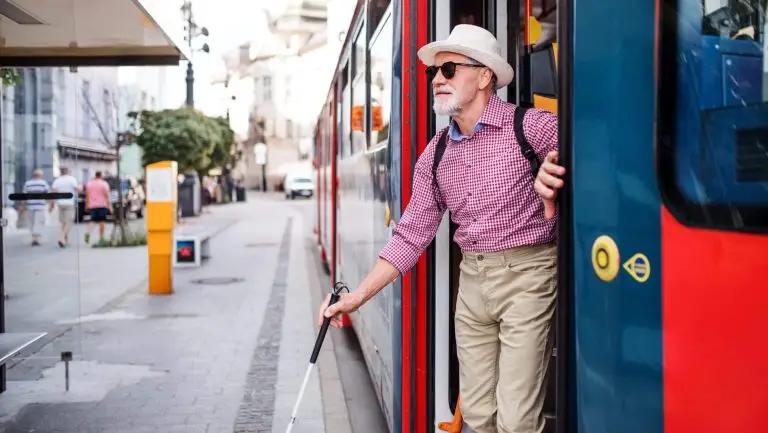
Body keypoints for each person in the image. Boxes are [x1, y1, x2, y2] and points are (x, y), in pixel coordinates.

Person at [317, 24, 566, 433]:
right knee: (480, 416)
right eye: (434, 72)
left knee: (517, 419)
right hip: (472, 283)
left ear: (485, 76)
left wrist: (554, 190)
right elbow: (411, 235)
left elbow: (591, 164)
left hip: (528, 277)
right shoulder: (435, 154)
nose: (436, 80)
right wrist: (356, 298)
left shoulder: (533, 127)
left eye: (448, 69)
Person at [50, 167, 80, 247]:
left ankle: (65, 240)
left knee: (64, 222)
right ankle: (62, 237)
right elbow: (77, 189)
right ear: (68, 171)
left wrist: (52, 204)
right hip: (69, 203)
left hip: (60, 203)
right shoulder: (72, 179)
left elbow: (53, 192)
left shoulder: (57, 180)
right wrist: (80, 189)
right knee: (69, 221)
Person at [20, 169, 51, 246]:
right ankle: (36, 239)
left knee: (32, 222)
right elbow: (48, 194)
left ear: (33, 175)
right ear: (40, 176)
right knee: (39, 222)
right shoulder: (43, 183)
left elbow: (23, 195)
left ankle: (34, 238)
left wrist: (21, 205)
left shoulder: (28, 183)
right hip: (40, 206)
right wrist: (50, 203)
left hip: (30, 206)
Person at [83, 171, 112, 244]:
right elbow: (107, 196)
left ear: (95, 176)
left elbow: (87, 196)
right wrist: (110, 206)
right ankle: (101, 238)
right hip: (102, 205)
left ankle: (87, 232)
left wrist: (86, 205)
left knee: (93, 220)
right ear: (101, 176)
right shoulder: (104, 184)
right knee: (102, 221)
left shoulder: (89, 184)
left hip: (93, 206)